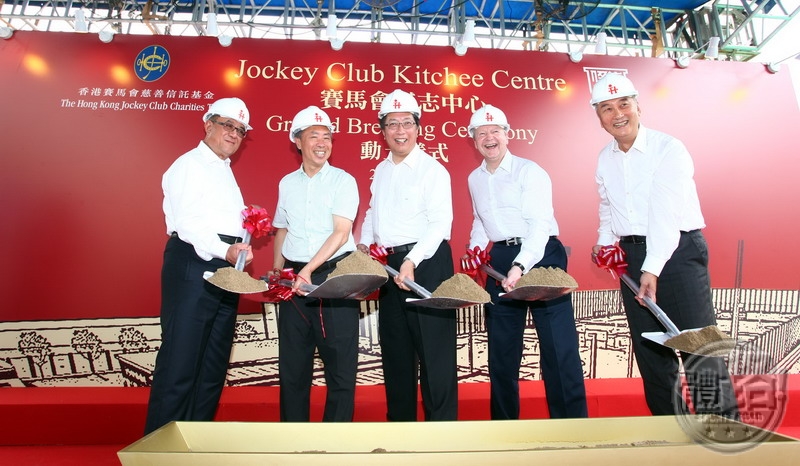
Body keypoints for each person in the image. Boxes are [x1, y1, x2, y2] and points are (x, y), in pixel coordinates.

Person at [589, 73, 739, 418]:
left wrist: (651, 267)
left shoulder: (668, 148)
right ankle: (671, 430)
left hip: (677, 254)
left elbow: (665, 214)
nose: (618, 114)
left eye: (624, 104)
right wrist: (604, 242)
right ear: (599, 117)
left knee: (698, 347)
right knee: (652, 352)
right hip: (633, 256)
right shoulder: (604, 158)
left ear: (639, 105)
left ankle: (722, 433)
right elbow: (608, 205)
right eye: (607, 108)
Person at [465, 105, 588, 420]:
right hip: (502, 258)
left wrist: (521, 266)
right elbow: (481, 220)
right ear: (473, 140)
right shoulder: (475, 179)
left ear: (507, 134)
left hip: (542, 255)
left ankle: (571, 426)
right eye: (481, 133)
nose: (489, 138)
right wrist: (475, 249)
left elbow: (539, 226)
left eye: (495, 131)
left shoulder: (529, 171)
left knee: (558, 346)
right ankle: (505, 425)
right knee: (502, 348)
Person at [145, 97, 255, 434]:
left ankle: (194, 441)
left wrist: (241, 249)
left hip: (224, 270)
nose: (233, 133)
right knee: (182, 360)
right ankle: (159, 452)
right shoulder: (189, 165)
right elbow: (190, 224)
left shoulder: (223, 170)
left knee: (212, 364)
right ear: (208, 124)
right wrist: (227, 251)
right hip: (193, 263)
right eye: (227, 125)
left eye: (240, 130)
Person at [356, 89, 457, 421]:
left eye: (407, 123)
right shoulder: (383, 170)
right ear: (382, 130)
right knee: (396, 352)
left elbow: (440, 223)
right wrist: (362, 246)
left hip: (426, 262)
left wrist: (412, 260)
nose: (400, 130)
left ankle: (442, 436)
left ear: (418, 128)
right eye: (392, 124)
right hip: (389, 267)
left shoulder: (432, 170)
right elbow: (373, 213)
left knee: (434, 354)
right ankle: (400, 430)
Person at [268, 106, 361, 422]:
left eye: (327, 137)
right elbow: (282, 228)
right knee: (292, 367)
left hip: (332, 278)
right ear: (297, 141)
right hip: (293, 279)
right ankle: (294, 441)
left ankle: (336, 443)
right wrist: (278, 268)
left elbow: (341, 231)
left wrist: (308, 270)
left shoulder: (342, 181)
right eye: (313, 137)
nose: (322, 143)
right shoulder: (286, 183)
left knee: (340, 368)